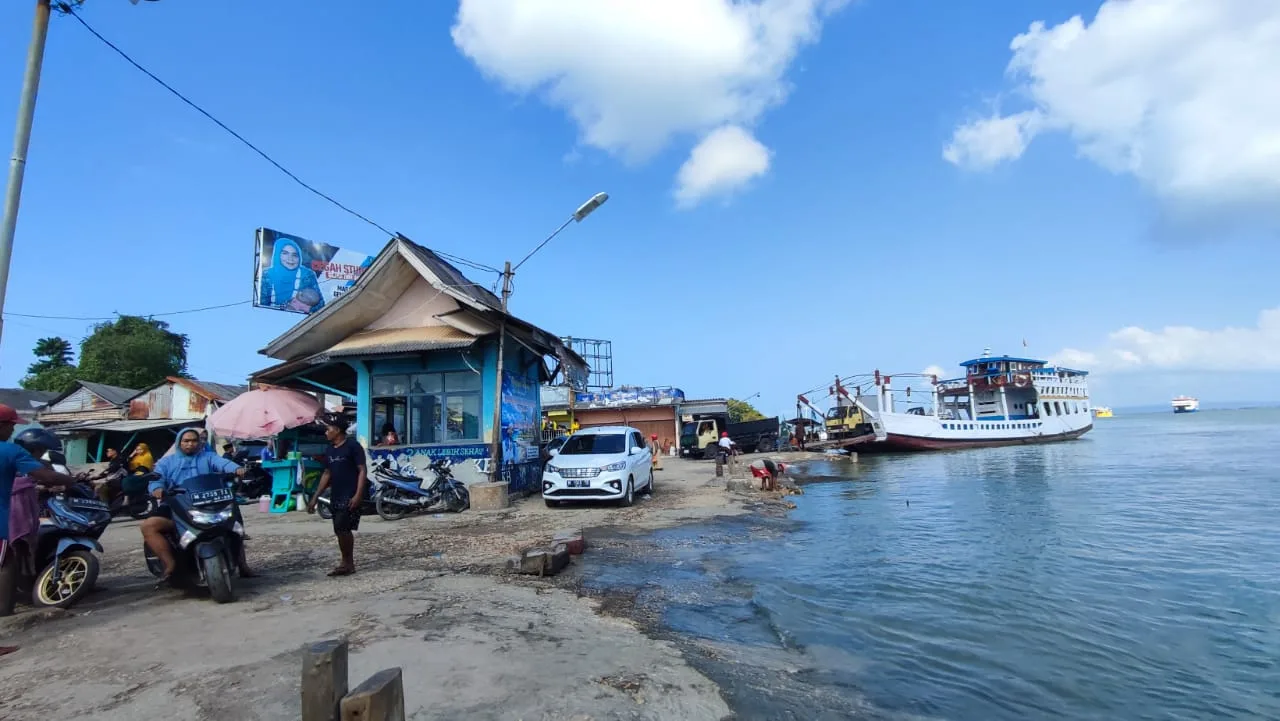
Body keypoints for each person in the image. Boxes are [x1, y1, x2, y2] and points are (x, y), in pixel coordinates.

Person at [140, 428, 255, 585]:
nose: (190, 444)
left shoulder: (208, 457)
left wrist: (236, 468)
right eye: (186, 441)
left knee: (234, 524)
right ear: (179, 443)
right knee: (149, 526)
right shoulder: (167, 462)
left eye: (194, 441)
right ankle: (170, 564)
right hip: (176, 503)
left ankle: (242, 565)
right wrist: (157, 488)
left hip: (210, 501)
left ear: (199, 442)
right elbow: (157, 478)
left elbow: (223, 463)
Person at [0, 408, 79, 631]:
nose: (13, 428)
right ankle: (4, 617)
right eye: (10, 425)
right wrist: (73, 481)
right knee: (6, 565)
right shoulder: (10, 451)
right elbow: (48, 476)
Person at [306, 418, 367, 577]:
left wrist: (358, 494)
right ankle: (346, 562)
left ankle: (348, 563)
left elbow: (362, 470)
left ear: (337, 430)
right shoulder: (330, 450)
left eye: (328, 429)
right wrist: (315, 497)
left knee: (343, 527)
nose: (326, 433)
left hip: (350, 492)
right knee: (339, 529)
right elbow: (327, 473)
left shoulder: (353, 446)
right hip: (336, 494)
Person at [258, 237, 325, 312]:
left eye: (295, 255)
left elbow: (321, 305)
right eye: (285, 253)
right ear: (277, 254)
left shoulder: (307, 275)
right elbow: (262, 302)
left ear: (299, 257)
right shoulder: (267, 275)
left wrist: (303, 307)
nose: (290, 259)